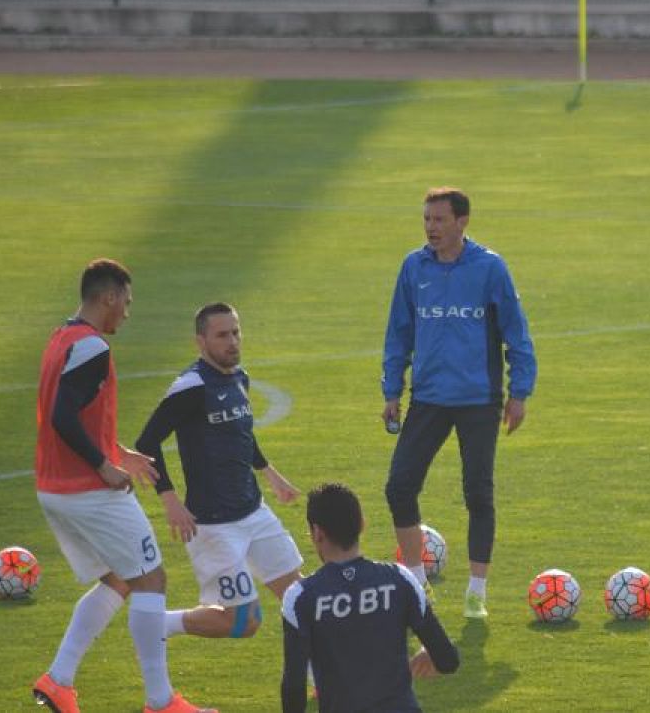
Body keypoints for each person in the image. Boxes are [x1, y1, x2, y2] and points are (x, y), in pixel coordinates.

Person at [32, 258, 215, 713]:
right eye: (126, 303)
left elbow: (72, 413)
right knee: (151, 579)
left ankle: (58, 681)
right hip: (86, 490)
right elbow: (62, 417)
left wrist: (117, 452)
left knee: (119, 579)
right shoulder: (93, 347)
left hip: (53, 487)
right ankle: (160, 702)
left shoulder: (61, 338)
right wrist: (104, 466)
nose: (127, 313)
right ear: (108, 297)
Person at [381, 187, 537, 618]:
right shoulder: (414, 268)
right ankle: (417, 584)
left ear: (462, 222)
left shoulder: (490, 268)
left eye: (439, 219)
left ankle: (476, 591)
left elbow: (516, 333)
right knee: (399, 486)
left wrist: (519, 392)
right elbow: (399, 332)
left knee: (478, 493)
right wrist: (392, 390)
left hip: (478, 400)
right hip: (428, 398)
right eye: (427, 219)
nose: (431, 227)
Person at [134, 302, 304, 643]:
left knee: (301, 599)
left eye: (236, 332)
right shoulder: (190, 387)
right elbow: (146, 443)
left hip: (254, 512)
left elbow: (241, 433)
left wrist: (269, 472)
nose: (233, 342)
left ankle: (317, 672)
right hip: (213, 525)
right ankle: (159, 624)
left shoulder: (240, 378)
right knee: (244, 621)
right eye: (222, 335)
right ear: (201, 341)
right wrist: (170, 501)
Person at [280, 483, 459, 713]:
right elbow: (448, 660)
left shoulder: (300, 597)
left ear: (317, 533)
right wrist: (428, 651)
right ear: (362, 524)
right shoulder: (400, 579)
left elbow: (294, 688)